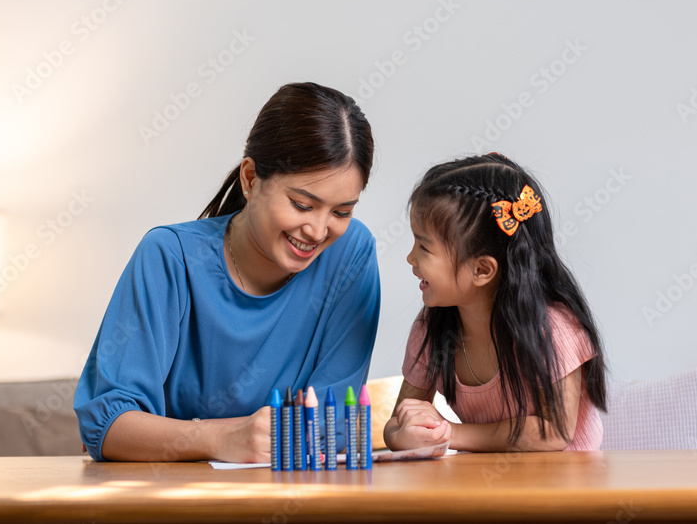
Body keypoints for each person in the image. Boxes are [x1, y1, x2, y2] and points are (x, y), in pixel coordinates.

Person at [74, 82, 380, 463]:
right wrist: (221, 439)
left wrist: (184, 430)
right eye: (302, 205)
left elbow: (331, 426)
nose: (318, 232)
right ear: (250, 179)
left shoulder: (350, 253)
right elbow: (109, 428)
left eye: (341, 212)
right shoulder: (170, 258)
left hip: (294, 499)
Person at [383, 153, 606, 452]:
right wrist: (403, 436)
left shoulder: (554, 328)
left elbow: (554, 431)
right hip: (489, 491)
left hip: (566, 492)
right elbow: (399, 422)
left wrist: (451, 433)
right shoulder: (431, 327)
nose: (410, 258)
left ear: (481, 270)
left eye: (424, 246)